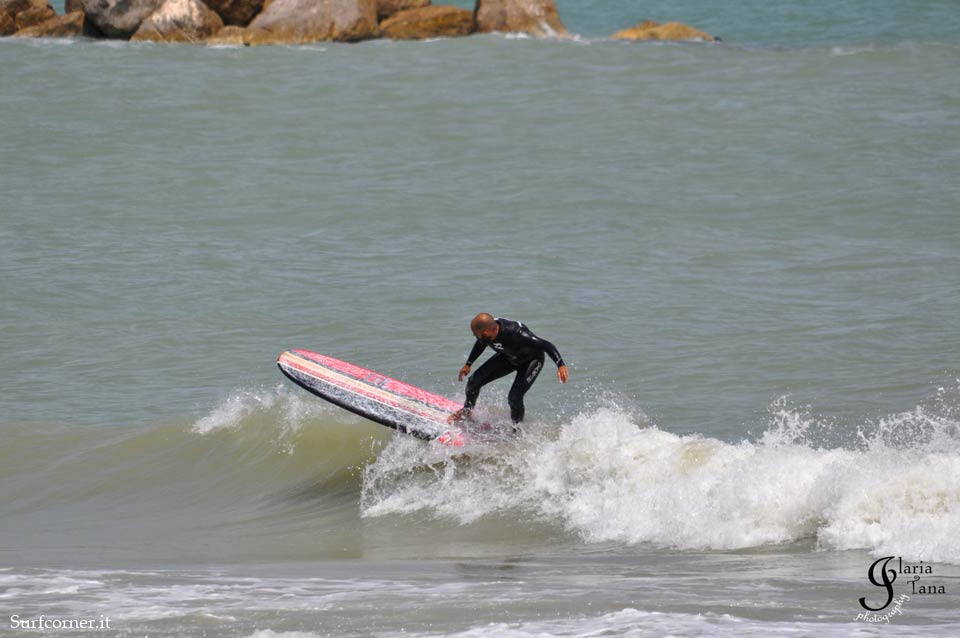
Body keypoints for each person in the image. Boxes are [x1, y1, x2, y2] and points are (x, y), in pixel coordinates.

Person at [449, 313, 568, 425]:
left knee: (514, 397)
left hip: (532, 360)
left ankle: (517, 430)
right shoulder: (487, 334)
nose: (474, 336)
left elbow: (546, 345)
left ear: (486, 332)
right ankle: (467, 411)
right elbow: (480, 343)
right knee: (473, 382)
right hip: (508, 356)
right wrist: (468, 364)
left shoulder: (516, 333)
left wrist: (560, 365)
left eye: (476, 334)